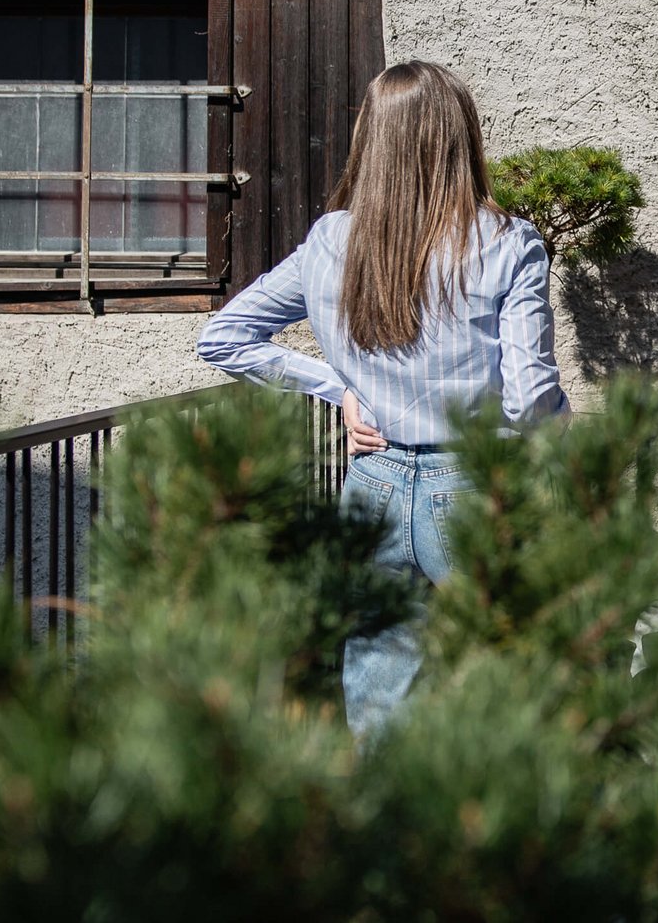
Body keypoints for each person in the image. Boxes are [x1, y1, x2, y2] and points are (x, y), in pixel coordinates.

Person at [196, 60, 568, 738]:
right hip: (475, 484)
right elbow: (529, 401)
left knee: (378, 686)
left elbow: (223, 337)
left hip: (374, 484)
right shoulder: (508, 242)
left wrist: (340, 388)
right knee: (520, 680)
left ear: (372, 136)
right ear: (461, 136)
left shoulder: (331, 240)